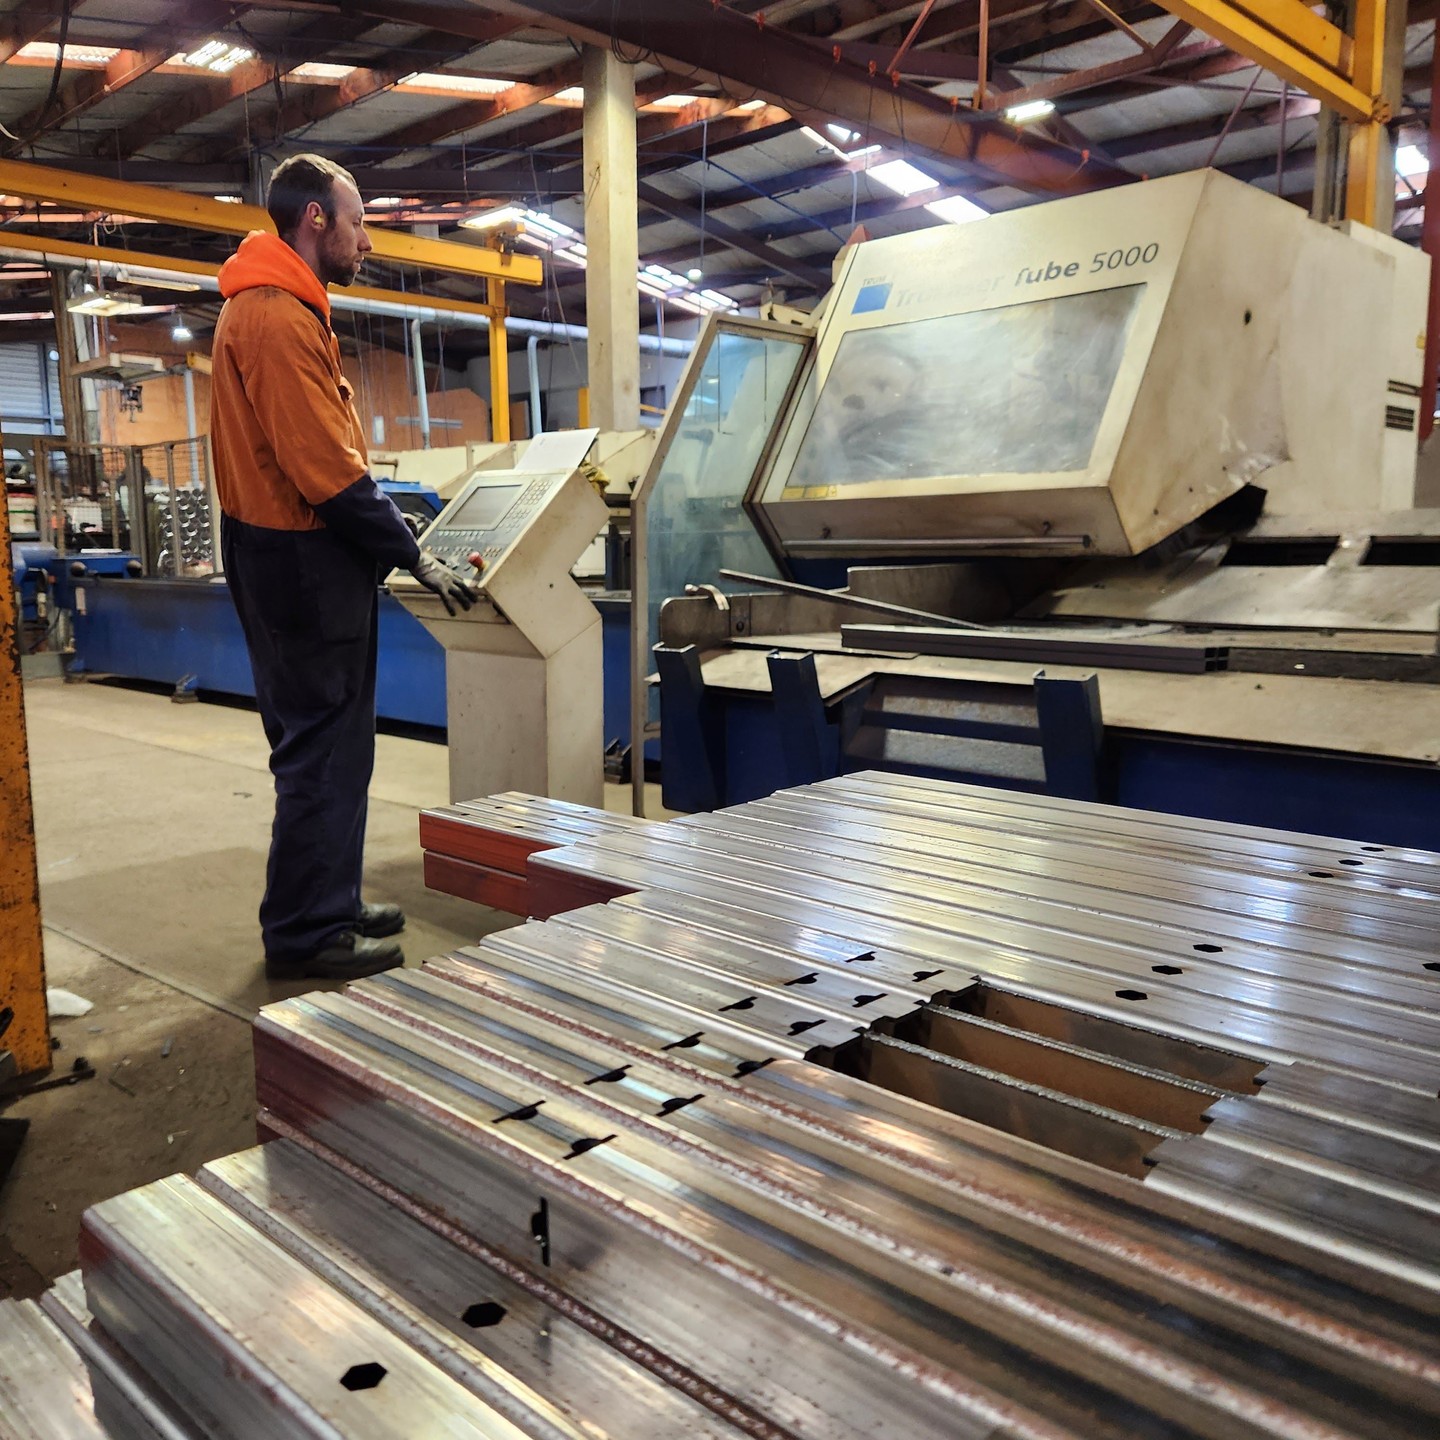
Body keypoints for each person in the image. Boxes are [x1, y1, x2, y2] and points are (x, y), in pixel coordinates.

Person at [210, 153, 476, 981]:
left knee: (336, 746)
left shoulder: (283, 307)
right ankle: (304, 934)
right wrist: (412, 552)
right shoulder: (276, 318)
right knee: (320, 750)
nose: (367, 240)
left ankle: (329, 899)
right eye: (357, 222)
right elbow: (323, 467)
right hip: (300, 557)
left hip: (290, 552)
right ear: (315, 221)